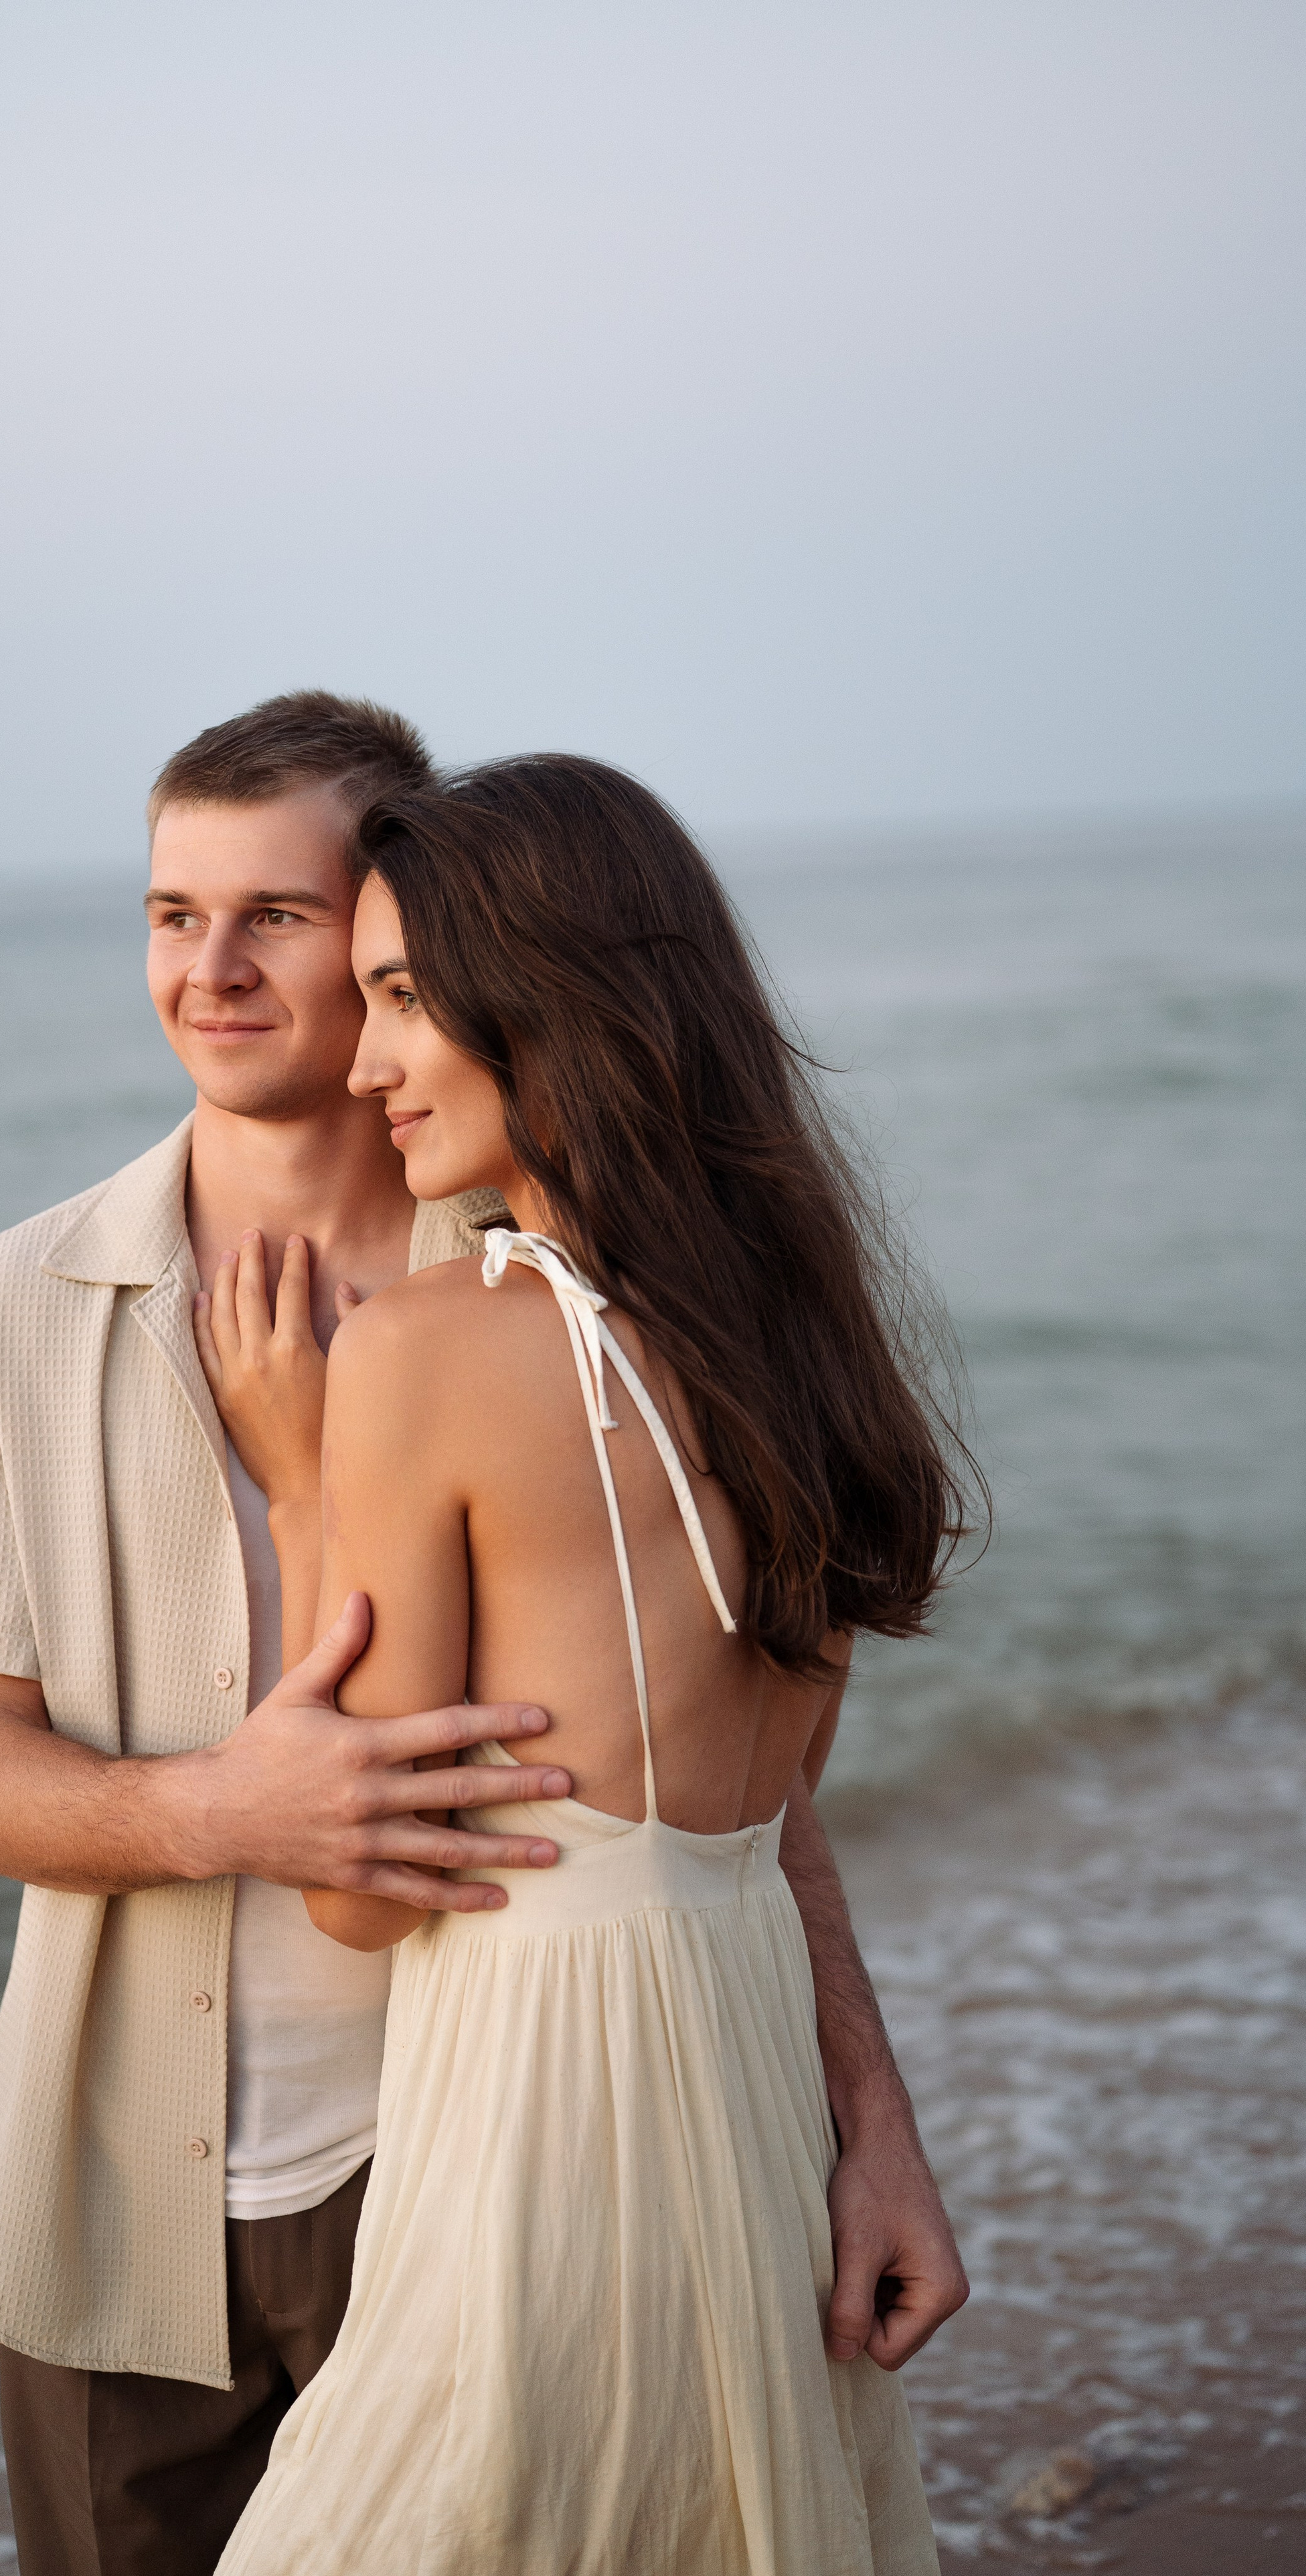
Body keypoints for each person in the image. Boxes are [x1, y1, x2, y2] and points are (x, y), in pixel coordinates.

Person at [0, 696, 964, 2576]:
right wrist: (231, 1814)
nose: (210, 972)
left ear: (418, 946)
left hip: (485, 2164)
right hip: (135, 2200)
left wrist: (877, 2123)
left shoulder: (543, 1302)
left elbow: (747, 1795)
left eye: (278, 917)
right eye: (167, 913)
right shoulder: (1, 1319)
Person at [198, 756, 974, 2574]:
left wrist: (310, 1479)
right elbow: (779, 1817)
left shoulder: (424, 1348)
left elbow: (368, 1893)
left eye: (401, 1001)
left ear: (552, 1002)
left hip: (545, 2132)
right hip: (751, 2108)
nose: (362, 1061)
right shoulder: (805, 1341)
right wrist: (885, 2137)